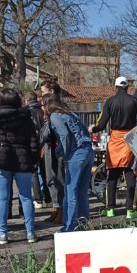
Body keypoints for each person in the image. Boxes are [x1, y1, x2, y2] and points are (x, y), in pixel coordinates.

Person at [0, 88, 38, 244]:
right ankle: (30, 232)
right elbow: (33, 140)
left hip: (0, 158)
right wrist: (32, 158)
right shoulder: (25, 117)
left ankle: (2, 233)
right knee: (26, 197)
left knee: (3, 198)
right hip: (23, 158)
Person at [89, 76, 137, 219]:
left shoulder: (109, 101)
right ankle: (130, 210)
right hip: (129, 139)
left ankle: (110, 209)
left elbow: (101, 124)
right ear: (127, 87)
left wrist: (93, 129)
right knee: (130, 174)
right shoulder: (135, 101)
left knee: (112, 175)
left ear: (115, 87)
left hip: (114, 140)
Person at [47, 99, 94, 232]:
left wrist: (64, 154)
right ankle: (83, 224)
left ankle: (69, 226)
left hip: (76, 153)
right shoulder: (72, 114)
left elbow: (64, 135)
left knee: (70, 190)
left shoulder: (55, 116)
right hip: (88, 151)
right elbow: (85, 131)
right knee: (82, 191)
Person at [39, 78, 65, 224]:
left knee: (59, 178)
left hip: (58, 148)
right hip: (50, 146)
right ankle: (56, 208)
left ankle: (61, 209)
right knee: (51, 179)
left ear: (52, 91)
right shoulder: (48, 108)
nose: (41, 95)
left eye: (43, 92)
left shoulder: (59, 108)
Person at [25, 90, 49, 209]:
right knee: (45, 172)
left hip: (32, 145)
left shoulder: (27, 112)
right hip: (44, 145)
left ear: (27, 100)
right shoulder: (42, 111)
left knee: (34, 173)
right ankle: (48, 198)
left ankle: (38, 199)